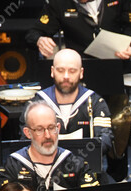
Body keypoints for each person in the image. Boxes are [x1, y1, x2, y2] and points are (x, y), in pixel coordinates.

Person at [27, 49, 124, 181]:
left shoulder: (95, 102)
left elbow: (105, 139)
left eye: (72, 71)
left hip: (86, 173)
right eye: (60, 70)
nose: (66, 76)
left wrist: (78, 161)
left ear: (81, 73)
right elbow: (25, 141)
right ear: (52, 71)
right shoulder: (37, 103)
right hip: (45, 175)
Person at [0, 101, 99, 191]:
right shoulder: (13, 165)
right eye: (40, 129)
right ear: (28, 133)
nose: (47, 135)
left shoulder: (76, 164)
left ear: (58, 128)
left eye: (51, 128)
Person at [25, 0, 131, 60]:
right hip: (80, 67)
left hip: (116, 63)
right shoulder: (58, 3)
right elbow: (33, 33)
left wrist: (129, 44)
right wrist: (39, 40)